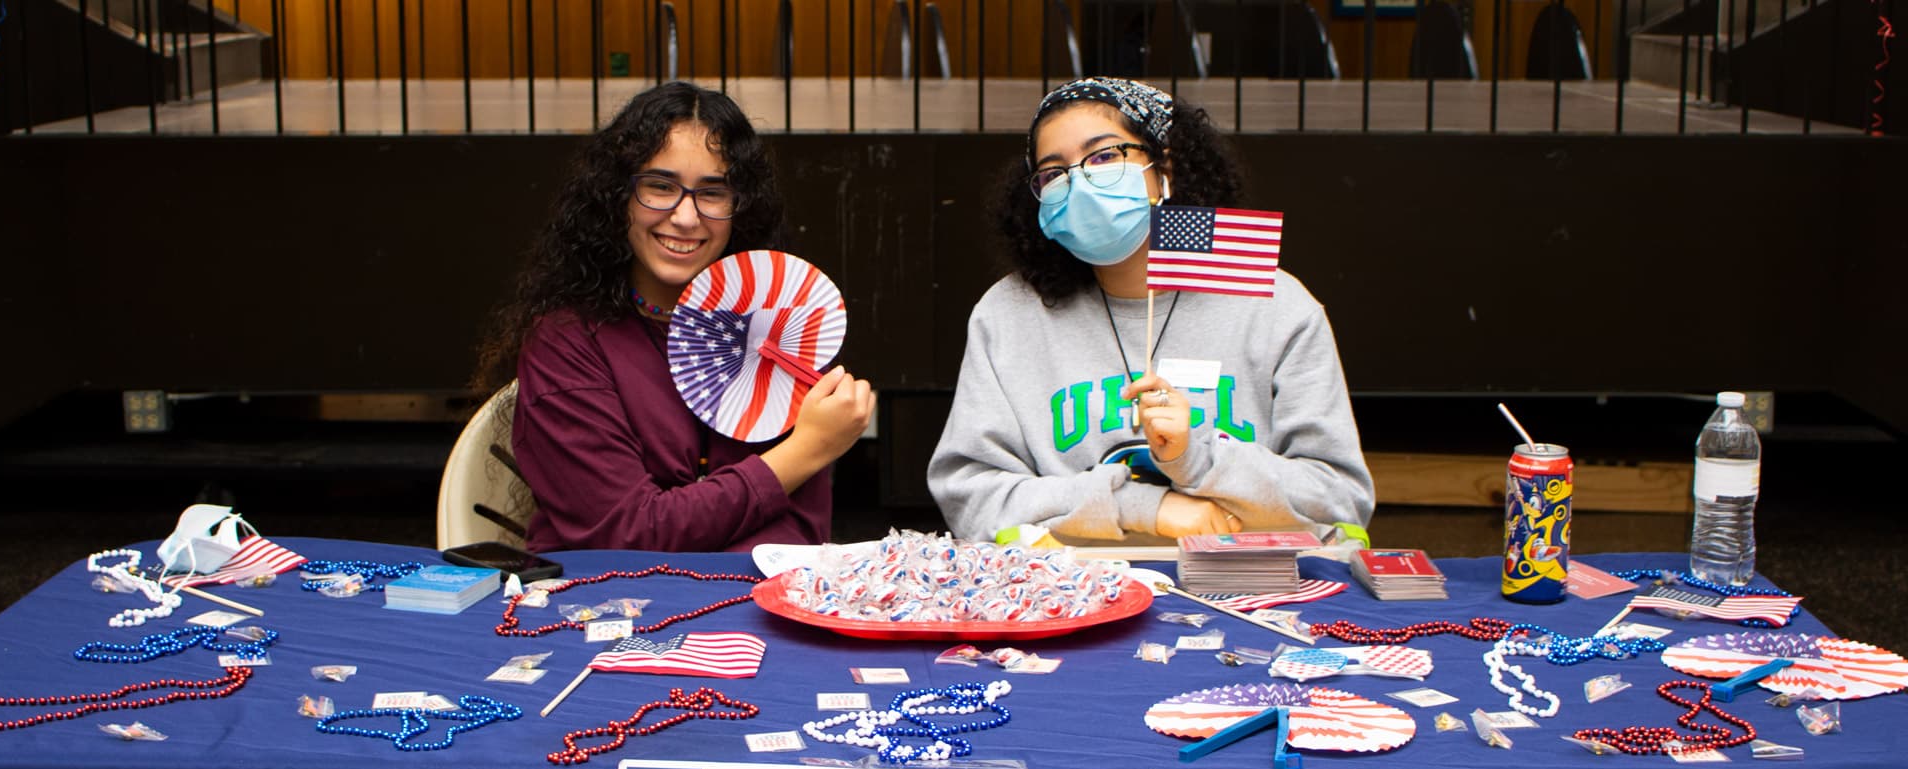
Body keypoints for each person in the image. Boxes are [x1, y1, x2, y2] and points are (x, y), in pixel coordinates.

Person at [927, 77, 1374, 544]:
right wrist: (1140, 507)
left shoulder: (1277, 307)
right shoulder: (1009, 315)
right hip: (1078, 595)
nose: (1078, 182)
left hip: (1246, 592)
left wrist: (1196, 457)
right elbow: (970, 494)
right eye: (1054, 172)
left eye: (1104, 156)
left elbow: (1340, 499)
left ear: (1166, 170)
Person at [473, 81, 875, 553]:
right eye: (659, 186)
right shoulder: (566, 342)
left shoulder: (779, 327)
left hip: (744, 607)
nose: (685, 217)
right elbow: (628, 532)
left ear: (740, 208)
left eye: (713, 192)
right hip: (598, 608)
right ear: (616, 196)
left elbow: (795, 538)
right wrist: (806, 450)